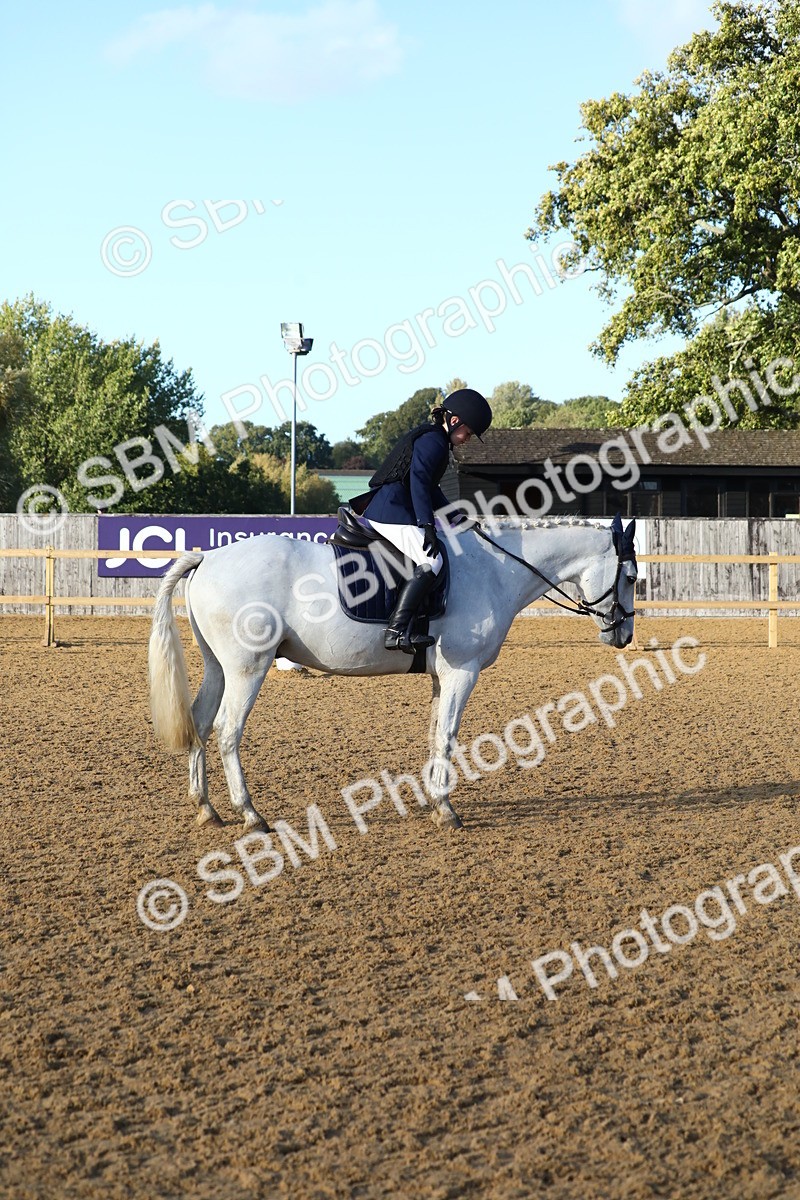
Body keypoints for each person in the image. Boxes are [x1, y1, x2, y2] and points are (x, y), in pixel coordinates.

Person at [358, 388, 493, 652]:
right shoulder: (434, 442)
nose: (467, 439)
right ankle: (396, 630)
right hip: (392, 511)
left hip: (395, 508)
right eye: (468, 432)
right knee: (431, 561)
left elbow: (431, 490)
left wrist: (457, 519)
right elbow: (419, 483)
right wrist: (427, 525)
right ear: (454, 421)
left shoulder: (436, 440)